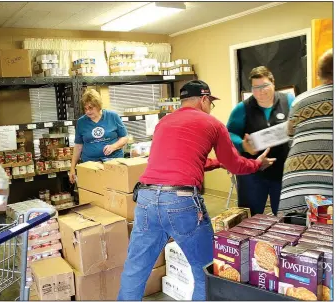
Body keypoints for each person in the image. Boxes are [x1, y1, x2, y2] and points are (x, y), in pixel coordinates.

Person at [118, 80, 276, 301]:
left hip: (146, 198)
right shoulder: (212, 124)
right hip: (181, 202)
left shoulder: (163, 123)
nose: (211, 107)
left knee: (135, 269)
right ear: (204, 99)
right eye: (211, 102)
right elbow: (236, 165)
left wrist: (216, 162)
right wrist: (257, 164)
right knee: (205, 270)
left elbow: (180, 161)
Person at [227, 66, 294, 215]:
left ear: (273, 83)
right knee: (250, 216)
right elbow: (229, 133)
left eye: (264, 86)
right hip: (252, 172)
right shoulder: (242, 108)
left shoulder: (288, 100)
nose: (260, 91)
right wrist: (242, 145)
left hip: (283, 171)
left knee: (285, 217)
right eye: (255, 88)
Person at [279, 49, 333, 214]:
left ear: (319, 74)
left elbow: (290, 138)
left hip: (296, 186)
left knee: (293, 233)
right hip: (328, 188)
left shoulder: (299, 100)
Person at [69, 88, 128, 183]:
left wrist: (114, 146)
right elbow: (78, 146)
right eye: (85, 108)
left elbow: (124, 137)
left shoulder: (112, 116)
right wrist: (72, 168)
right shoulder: (81, 122)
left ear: (98, 105)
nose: (88, 111)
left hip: (113, 163)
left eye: (91, 108)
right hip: (91, 165)